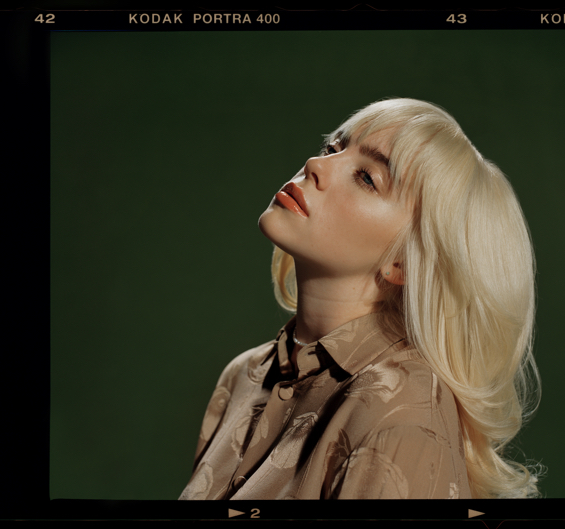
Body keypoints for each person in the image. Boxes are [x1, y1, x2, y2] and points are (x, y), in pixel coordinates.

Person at [179, 97, 543, 500]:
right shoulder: (243, 376)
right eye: (332, 148)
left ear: (403, 262)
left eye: (367, 177)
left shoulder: (403, 413)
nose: (315, 165)